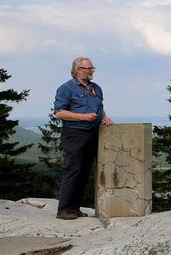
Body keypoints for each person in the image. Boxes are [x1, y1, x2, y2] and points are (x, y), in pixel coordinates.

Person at [53, 57, 113, 220]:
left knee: (85, 171)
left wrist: (105, 117)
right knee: (74, 170)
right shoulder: (66, 88)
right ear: (77, 70)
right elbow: (59, 113)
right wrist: (83, 117)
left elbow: (99, 107)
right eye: (88, 68)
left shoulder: (96, 88)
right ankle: (64, 209)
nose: (91, 71)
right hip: (75, 134)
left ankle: (75, 208)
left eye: (92, 68)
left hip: (93, 134)